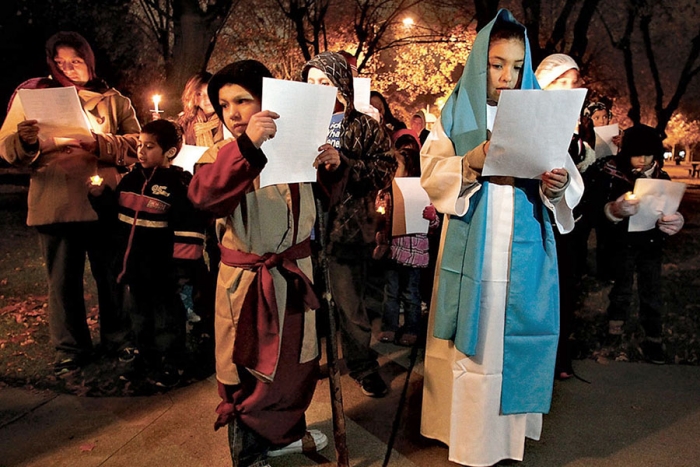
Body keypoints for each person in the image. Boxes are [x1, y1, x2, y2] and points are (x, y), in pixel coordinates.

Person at [419, 10, 583, 466]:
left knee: (513, 338)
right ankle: (467, 438)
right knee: (472, 348)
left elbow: (567, 176)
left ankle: (505, 440)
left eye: (516, 65)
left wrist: (556, 186)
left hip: (524, 248)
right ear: (479, 63)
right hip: (474, 250)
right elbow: (431, 175)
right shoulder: (454, 111)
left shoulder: (538, 109)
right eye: (496, 64)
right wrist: (472, 160)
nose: (507, 76)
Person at [187, 60, 332, 466]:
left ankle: (282, 433)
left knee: (294, 364)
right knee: (250, 365)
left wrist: (333, 169)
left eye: (243, 101)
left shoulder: (296, 147)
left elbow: (321, 203)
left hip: (293, 275)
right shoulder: (219, 155)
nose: (232, 112)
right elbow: (203, 197)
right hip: (248, 282)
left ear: (268, 102)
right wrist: (247, 148)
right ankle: (249, 451)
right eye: (224, 104)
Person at [0, 31, 140, 376]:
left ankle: (119, 339)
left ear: (88, 61)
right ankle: (71, 349)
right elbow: (7, 147)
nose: (68, 68)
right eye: (60, 62)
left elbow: (138, 144)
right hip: (55, 198)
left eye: (75, 61)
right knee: (62, 281)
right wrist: (25, 140)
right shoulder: (31, 96)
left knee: (112, 276)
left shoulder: (114, 99)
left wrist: (97, 143)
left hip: (101, 200)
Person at [303, 52, 397, 397]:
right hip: (302, 230)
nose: (317, 90)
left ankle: (362, 365)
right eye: (310, 83)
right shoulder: (295, 122)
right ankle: (303, 367)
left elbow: (385, 168)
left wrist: (344, 163)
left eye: (324, 83)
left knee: (350, 306)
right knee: (305, 306)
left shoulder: (364, 125)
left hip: (346, 228)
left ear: (341, 85)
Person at [89, 119, 205, 387]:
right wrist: (99, 197)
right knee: (138, 316)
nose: (141, 151)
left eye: (149, 146)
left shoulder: (178, 185)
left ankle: (171, 363)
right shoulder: (130, 180)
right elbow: (116, 218)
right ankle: (146, 360)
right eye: (140, 145)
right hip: (134, 268)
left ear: (170, 152)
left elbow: (188, 227)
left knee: (166, 318)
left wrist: (182, 268)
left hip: (163, 270)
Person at [596, 124, 684, 363]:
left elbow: (671, 206)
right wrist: (613, 210)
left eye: (648, 154)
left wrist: (674, 220)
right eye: (637, 154)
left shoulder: (661, 178)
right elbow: (595, 208)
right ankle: (614, 335)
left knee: (651, 291)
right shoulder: (611, 173)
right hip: (621, 244)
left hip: (651, 244)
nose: (643, 160)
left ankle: (653, 339)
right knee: (621, 290)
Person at [535, 53, 594, 380]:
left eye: (574, 82)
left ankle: (560, 358)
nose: (569, 88)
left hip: (571, 228)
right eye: (561, 82)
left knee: (566, 290)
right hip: (539, 221)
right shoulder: (534, 118)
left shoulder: (580, 128)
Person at [375, 129, 439, 347]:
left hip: (414, 253)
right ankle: (389, 327)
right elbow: (378, 216)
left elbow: (434, 224)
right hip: (392, 252)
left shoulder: (422, 191)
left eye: (395, 167)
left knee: (411, 294)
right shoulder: (386, 191)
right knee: (390, 293)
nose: (391, 171)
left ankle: (411, 329)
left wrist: (431, 217)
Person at [177, 72, 224, 147]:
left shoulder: (226, 118)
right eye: (199, 94)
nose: (207, 99)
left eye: (209, 92)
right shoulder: (185, 123)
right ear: (192, 97)